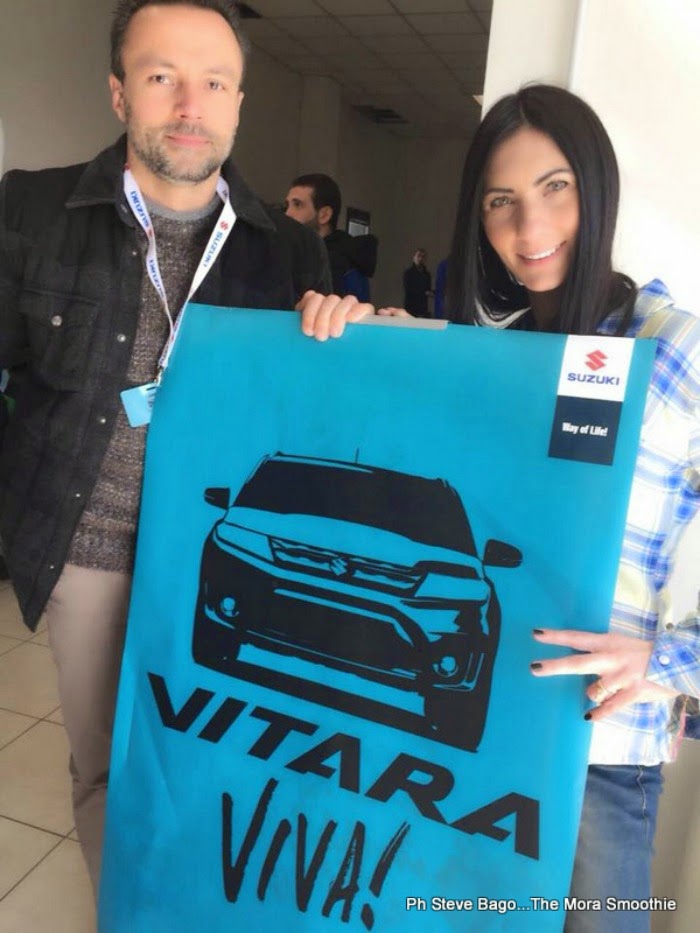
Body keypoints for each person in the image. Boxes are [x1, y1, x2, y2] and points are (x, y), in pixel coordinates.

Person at [303, 84, 700, 933]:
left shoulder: (675, 351)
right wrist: (354, 341)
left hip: (598, 753)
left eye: (556, 188)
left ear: (598, 188)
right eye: (500, 201)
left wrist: (667, 659)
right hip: (467, 736)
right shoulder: (488, 359)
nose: (530, 227)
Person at [0, 0, 350, 898]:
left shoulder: (289, 252)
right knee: (107, 767)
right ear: (121, 93)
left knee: (218, 764)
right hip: (88, 554)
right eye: (163, 77)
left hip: (229, 557)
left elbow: (313, 421)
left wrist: (350, 335)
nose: (192, 106)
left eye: (215, 83)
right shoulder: (31, 210)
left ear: (239, 103)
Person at [284, 172, 378, 301]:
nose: (287, 214)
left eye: (297, 205)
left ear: (324, 215)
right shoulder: (292, 256)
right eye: (287, 205)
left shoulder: (346, 267)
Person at [402, 247, 433, 317]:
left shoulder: (427, 275)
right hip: (411, 306)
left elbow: (428, 289)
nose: (420, 258)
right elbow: (408, 289)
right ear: (414, 257)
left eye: (423, 257)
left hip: (423, 308)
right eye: (418, 256)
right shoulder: (408, 273)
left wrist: (432, 293)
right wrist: (424, 293)